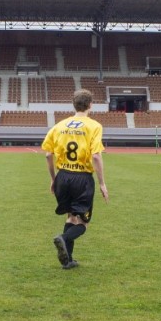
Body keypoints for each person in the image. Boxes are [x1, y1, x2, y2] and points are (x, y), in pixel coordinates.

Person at [41, 89, 109, 269]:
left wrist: (53, 178)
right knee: (83, 223)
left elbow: (48, 155)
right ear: (90, 105)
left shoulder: (59, 125)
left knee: (70, 218)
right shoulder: (94, 126)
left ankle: (68, 260)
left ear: (74, 104)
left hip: (63, 176)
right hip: (82, 178)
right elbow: (96, 156)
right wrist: (102, 183)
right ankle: (63, 238)